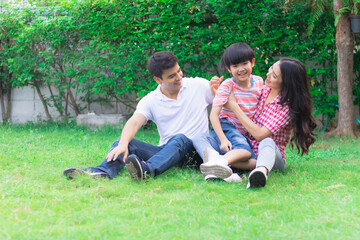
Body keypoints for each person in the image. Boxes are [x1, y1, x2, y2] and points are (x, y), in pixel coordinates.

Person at [63, 51, 214, 181]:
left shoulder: (199, 86)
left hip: (197, 152)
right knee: (125, 142)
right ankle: (102, 172)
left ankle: (147, 170)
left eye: (179, 71)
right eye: (172, 76)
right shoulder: (151, 100)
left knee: (180, 138)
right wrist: (123, 144)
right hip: (168, 153)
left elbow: (225, 103)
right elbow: (134, 122)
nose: (179, 77)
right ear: (158, 80)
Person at [203, 57, 317, 188]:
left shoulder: (286, 107)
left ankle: (260, 172)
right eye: (271, 69)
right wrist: (218, 93)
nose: (268, 75)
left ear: (286, 83)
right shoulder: (262, 91)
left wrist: (234, 106)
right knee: (207, 140)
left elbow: (259, 134)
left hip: (270, 157)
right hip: (248, 152)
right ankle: (220, 165)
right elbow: (238, 101)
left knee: (267, 141)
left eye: (274, 76)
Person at [192, 43, 263, 182]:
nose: (241, 69)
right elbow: (213, 115)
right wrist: (223, 139)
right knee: (245, 151)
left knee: (254, 161)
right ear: (228, 69)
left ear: (252, 62)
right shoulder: (228, 86)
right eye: (235, 66)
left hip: (245, 132)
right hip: (228, 126)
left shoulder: (259, 82)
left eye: (244, 64)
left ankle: (222, 168)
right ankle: (220, 163)